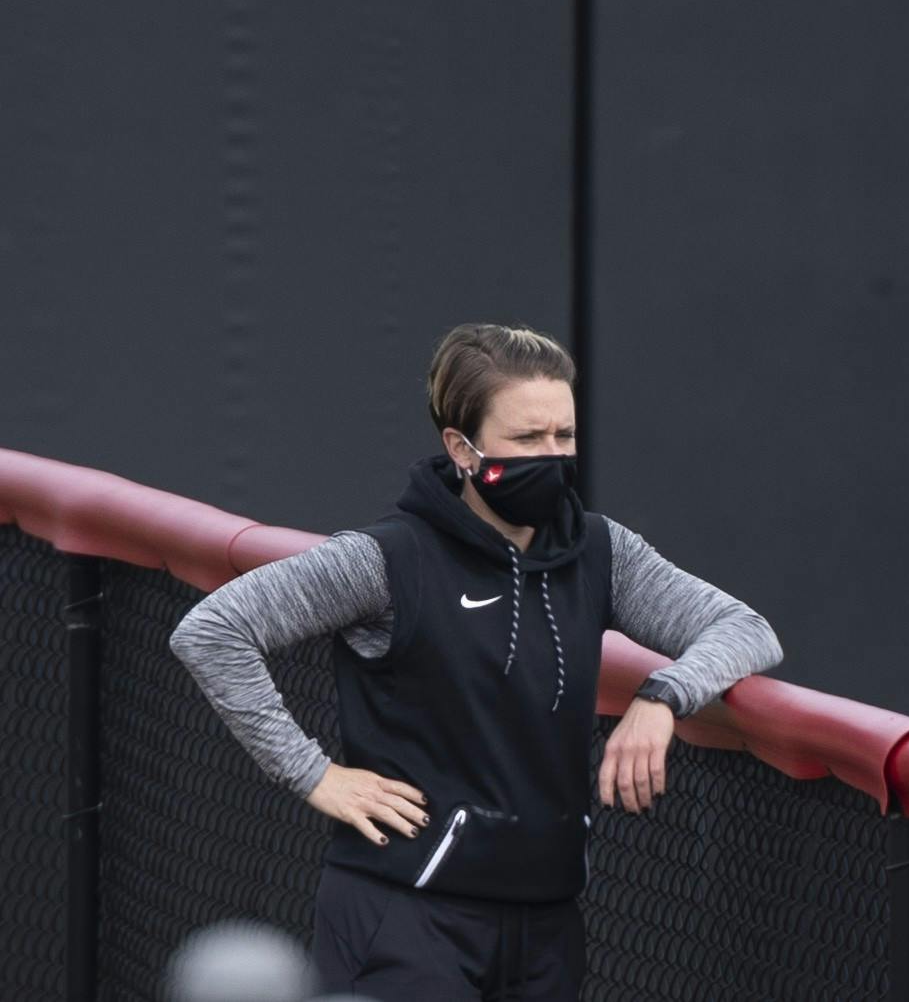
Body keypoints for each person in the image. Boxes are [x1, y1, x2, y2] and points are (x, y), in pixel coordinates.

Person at [167, 322, 784, 1000]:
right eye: (526, 440)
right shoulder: (388, 559)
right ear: (462, 448)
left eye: (564, 436)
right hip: (402, 914)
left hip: (547, 924)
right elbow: (213, 631)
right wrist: (313, 774)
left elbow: (744, 628)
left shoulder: (603, 554)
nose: (551, 457)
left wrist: (663, 696)